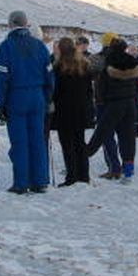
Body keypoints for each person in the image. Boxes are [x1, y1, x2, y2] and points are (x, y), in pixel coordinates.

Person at [0, 10, 54, 194]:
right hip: (37, 97)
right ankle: (40, 180)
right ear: (26, 24)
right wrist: (47, 97)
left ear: (11, 24)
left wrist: (0, 104)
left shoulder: (6, 47)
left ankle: (21, 182)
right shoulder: (40, 46)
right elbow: (50, 75)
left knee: (20, 141)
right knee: (37, 139)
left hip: (16, 97)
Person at [86, 39, 138, 182]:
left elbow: (101, 87)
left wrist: (102, 101)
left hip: (113, 104)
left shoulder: (109, 62)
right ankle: (128, 172)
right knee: (128, 138)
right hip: (130, 104)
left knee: (102, 133)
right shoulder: (133, 63)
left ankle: (83, 155)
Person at [51, 37, 93, 186]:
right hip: (81, 109)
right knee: (80, 143)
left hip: (64, 111)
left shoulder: (58, 68)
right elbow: (89, 90)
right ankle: (84, 175)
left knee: (67, 144)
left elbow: (54, 91)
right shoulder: (84, 65)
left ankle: (72, 176)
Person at [88, 32, 122, 179]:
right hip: (121, 101)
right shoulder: (125, 59)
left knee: (106, 135)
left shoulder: (97, 59)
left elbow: (88, 74)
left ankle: (114, 167)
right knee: (123, 135)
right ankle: (125, 167)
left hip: (103, 101)